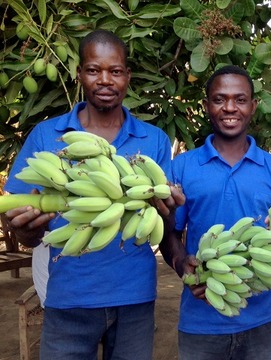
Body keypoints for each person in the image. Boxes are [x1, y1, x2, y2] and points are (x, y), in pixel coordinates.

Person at [4, 29, 184, 360]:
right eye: (93, 70)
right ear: (79, 75)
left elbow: (163, 224)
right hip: (68, 298)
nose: (105, 80)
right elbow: (22, 225)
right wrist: (28, 229)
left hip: (134, 299)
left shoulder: (154, 140)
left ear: (127, 76)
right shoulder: (48, 136)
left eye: (115, 71)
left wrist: (167, 206)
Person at [159, 65, 271, 360]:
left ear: (253, 106)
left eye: (240, 99)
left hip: (264, 320)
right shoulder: (182, 167)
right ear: (207, 105)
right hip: (200, 321)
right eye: (220, 99)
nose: (230, 108)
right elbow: (168, 232)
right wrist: (184, 265)